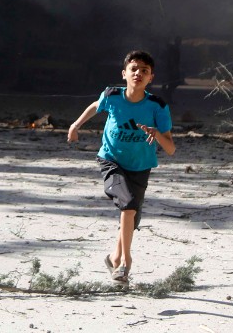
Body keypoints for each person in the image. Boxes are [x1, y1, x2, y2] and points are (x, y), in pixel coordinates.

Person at [66, 50, 176, 284]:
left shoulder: (157, 106)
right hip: (111, 161)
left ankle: (113, 257)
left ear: (150, 78)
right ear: (124, 73)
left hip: (141, 166)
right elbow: (96, 106)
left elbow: (171, 148)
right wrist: (75, 125)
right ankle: (125, 263)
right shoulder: (112, 95)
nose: (138, 73)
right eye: (134, 69)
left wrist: (156, 134)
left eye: (144, 71)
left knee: (131, 215)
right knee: (128, 204)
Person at [160, 36, 183, 103]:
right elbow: (172, 59)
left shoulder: (174, 48)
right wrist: (174, 68)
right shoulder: (174, 49)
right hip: (172, 68)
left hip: (172, 68)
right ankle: (167, 95)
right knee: (174, 82)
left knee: (173, 82)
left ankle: (167, 95)